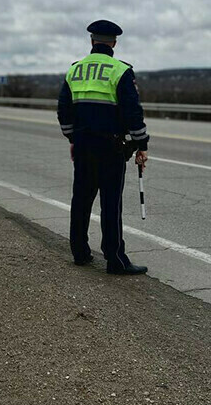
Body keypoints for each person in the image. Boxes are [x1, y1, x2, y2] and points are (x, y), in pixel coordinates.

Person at [57, 20, 150, 275]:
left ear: (91, 41)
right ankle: (116, 260)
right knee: (110, 204)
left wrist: (72, 139)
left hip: (84, 145)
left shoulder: (75, 69)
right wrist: (141, 144)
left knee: (81, 199)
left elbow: (63, 110)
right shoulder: (120, 70)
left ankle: (80, 252)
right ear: (114, 43)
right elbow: (133, 111)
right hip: (111, 147)